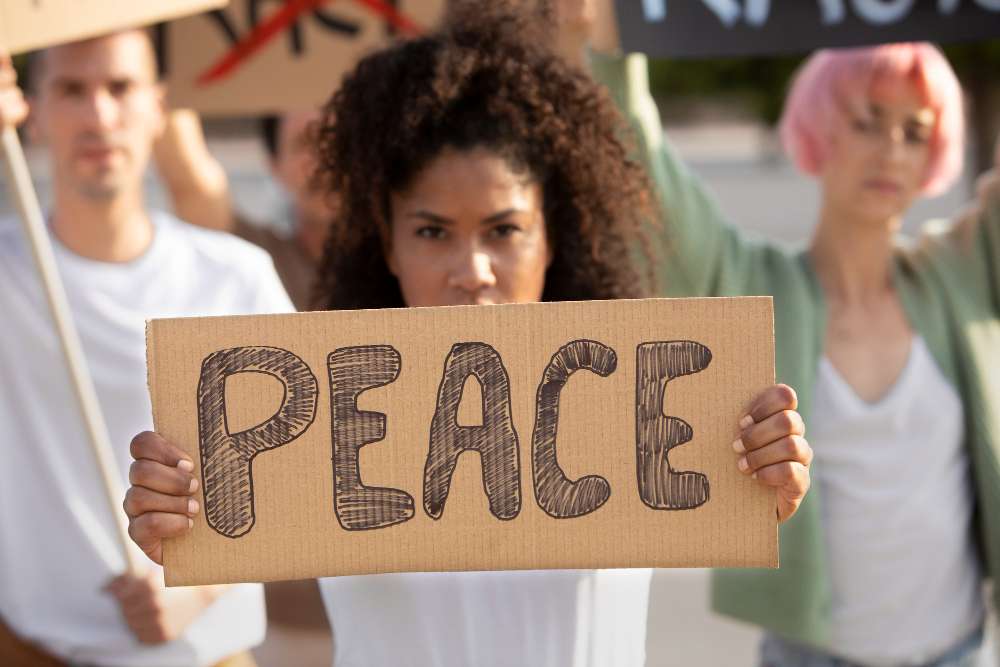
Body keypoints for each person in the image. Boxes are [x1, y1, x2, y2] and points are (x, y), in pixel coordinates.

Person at [122, 3, 813, 666]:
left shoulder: (635, 401)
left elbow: (743, 490)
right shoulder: (330, 416)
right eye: (431, 232)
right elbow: (222, 534)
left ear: (552, 238)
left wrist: (761, 475)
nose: (471, 270)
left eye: (503, 229)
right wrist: (180, 508)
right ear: (386, 245)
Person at [571, 3, 1000, 664]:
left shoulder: (963, 276)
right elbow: (642, 169)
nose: (891, 148)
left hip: (962, 650)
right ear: (820, 130)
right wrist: (609, 40)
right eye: (867, 121)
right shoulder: (755, 283)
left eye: (916, 130)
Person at [0, 29, 294, 666]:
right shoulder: (6, 271)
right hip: (32, 649)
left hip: (209, 652)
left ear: (160, 108)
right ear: (34, 114)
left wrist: (202, 588)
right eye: (72, 89)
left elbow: (303, 474)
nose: (99, 114)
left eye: (121, 87)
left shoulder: (235, 275)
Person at [154, 109, 334, 311]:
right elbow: (188, 180)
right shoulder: (254, 258)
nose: (323, 159)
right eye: (304, 142)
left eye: (337, 139)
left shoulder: (377, 264)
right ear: (276, 167)